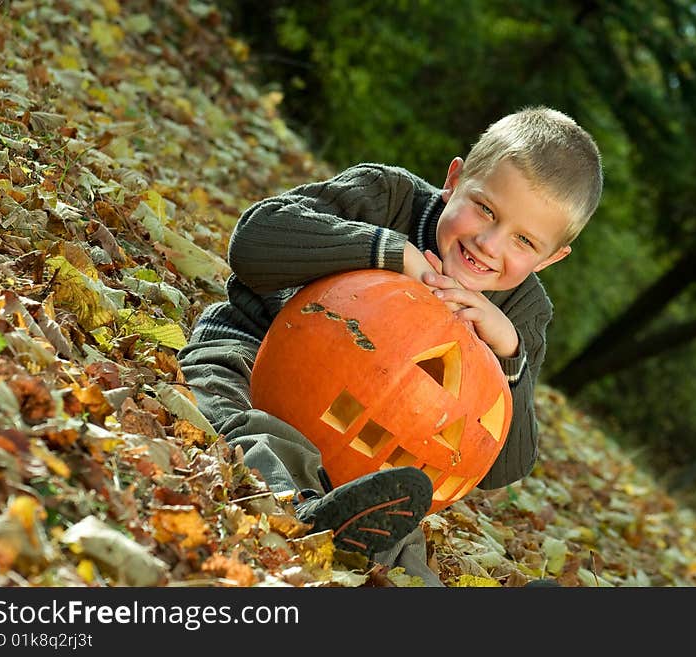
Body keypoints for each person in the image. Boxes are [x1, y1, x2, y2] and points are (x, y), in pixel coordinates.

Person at [177, 106, 603, 586]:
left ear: (551, 259)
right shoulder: (386, 197)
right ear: (454, 179)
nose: (489, 243)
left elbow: (500, 466)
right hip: (255, 349)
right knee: (240, 415)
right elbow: (253, 242)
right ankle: (297, 508)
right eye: (485, 208)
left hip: (368, 451)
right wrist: (386, 251)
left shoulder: (524, 310)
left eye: (524, 240)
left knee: (398, 515)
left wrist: (509, 355)